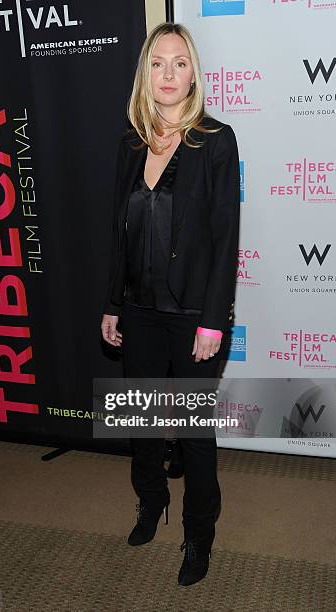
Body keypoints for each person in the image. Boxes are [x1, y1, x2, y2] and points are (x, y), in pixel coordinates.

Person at [101, 22, 240, 587]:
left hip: (191, 317)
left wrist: (213, 319)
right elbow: (119, 232)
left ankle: (199, 533)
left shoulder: (216, 140)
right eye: (157, 63)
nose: (167, 74)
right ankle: (151, 501)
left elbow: (226, 237)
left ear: (193, 72)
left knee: (192, 432)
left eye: (179, 62)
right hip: (137, 309)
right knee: (141, 419)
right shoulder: (132, 140)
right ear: (145, 72)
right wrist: (112, 303)